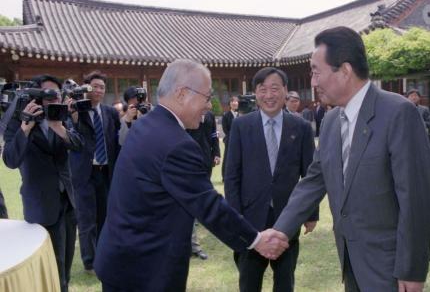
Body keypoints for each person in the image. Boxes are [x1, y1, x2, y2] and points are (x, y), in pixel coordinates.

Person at [94, 59, 288, 292]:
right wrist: (256, 240)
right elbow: (208, 205)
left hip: (122, 259)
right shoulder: (176, 144)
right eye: (207, 97)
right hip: (145, 271)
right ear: (182, 94)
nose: (209, 106)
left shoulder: (146, 124)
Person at [269, 27, 430, 291]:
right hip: (350, 261)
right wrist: (281, 230)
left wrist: (412, 269)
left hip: (389, 267)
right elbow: (314, 180)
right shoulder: (332, 121)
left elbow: (416, 199)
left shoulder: (398, 113)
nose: (312, 82)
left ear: (344, 70)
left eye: (315, 71)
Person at [225, 67, 317, 292]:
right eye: (262, 89)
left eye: (275, 88)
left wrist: (311, 214)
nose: (269, 95)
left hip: (287, 218)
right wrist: (235, 216)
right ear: (255, 93)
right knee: (248, 282)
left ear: (285, 91)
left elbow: (311, 175)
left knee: (285, 282)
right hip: (249, 220)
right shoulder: (241, 126)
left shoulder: (301, 127)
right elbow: (231, 175)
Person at [2, 75, 82, 292]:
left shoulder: (59, 116)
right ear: (35, 97)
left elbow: (78, 144)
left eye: (56, 95)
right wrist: (25, 129)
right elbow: (10, 159)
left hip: (68, 201)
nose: (53, 99)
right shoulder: (19, 119)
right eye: (47, 95)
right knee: (51, 271)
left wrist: (59, 127)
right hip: (41, 205)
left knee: (65, 267)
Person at [69, 71, 121, 274]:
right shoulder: (77, 112)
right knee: (86, 220)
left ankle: (103, 254)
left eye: (102, 87)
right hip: (84, 173)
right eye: (95, 86)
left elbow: (116, 142)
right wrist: (73, 115)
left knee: (104, 217)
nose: (99, 90)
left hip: (106, 172)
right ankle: (89, 262)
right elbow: (71, 136)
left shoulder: (110, 113)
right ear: (87, 88)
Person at [186, 108, 221, 260]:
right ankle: (191, 245)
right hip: (187, 158)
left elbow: (213, 135)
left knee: (204, 194)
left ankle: (200, 222)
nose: (208, 103)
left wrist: (217, 153)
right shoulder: (185, 113)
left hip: (205, 158)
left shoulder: (209, 115)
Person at [221, 95, 239, 178]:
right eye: (233, 101)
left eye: (236, 101)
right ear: (230, 104)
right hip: (230, 139)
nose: (235, 103)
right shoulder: (226, 115)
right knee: (227, 158)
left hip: (240, 139)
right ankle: (225, 176)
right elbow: (225, 129)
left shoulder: (240, 115)